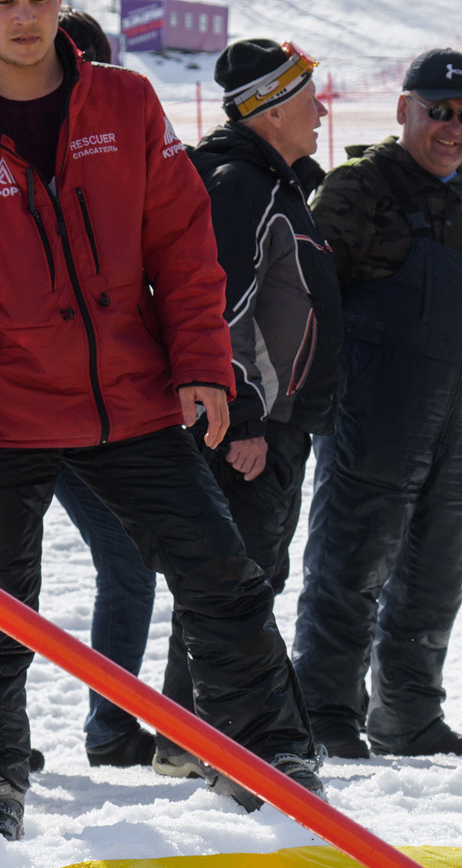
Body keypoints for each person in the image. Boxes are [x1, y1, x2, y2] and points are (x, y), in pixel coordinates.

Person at [0, 0, 321, 839]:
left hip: (132, 398)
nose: (21, 16)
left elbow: (183, 245)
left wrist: (200, 362)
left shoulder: (124, 104)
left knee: (221, 573)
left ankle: (268, 753)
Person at [299, 49, 462, 760]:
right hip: (375, 409)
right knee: (351, 565)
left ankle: (409, 716)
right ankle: (324, 713)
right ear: (402, 110)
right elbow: (310, 304)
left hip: (457, 411)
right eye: (437, 111)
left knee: (434, 569)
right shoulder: (359, 188)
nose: (452, 127)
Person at [153, 38, 339, 778]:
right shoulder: (241, 184)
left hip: (264, 424)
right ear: (268, 109)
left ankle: (185, 737)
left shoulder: (269, 182)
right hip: (244, 429)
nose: (321, 111)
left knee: (227, 579)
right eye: (307, 99)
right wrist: (247, 415)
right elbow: (211, 310)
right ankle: (219, 742)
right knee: (241, 583)